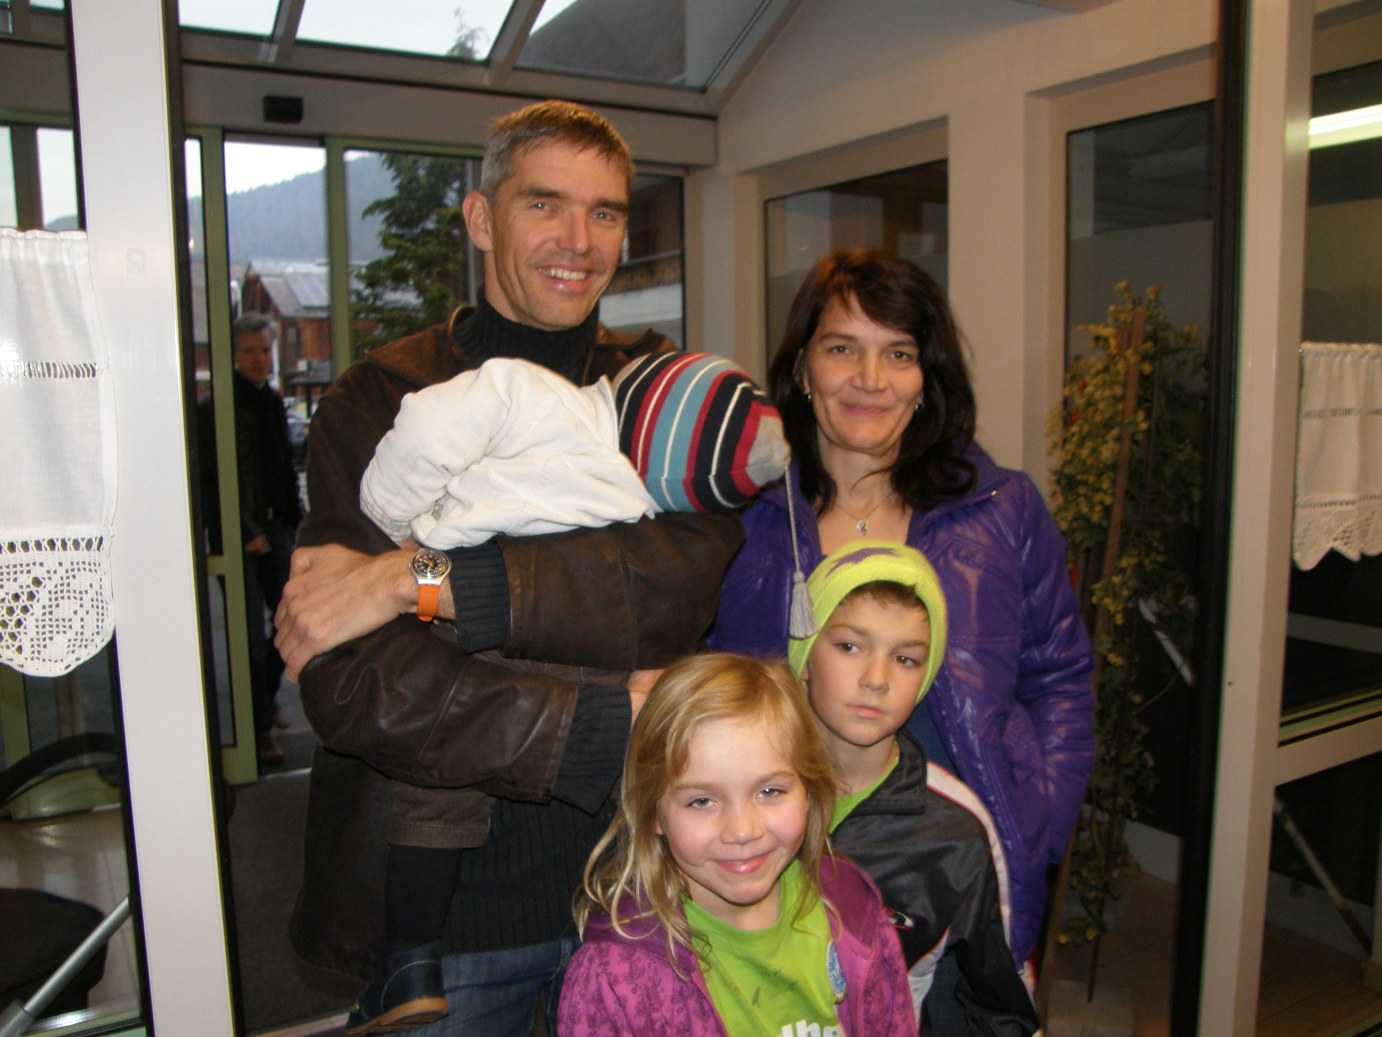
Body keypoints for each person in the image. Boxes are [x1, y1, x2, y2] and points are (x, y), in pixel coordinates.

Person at [273, 100, 745, 1037]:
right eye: (544, 204)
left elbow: (676, 586)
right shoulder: (382, 400)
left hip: (637, 888)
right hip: (446, 928)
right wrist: (596, 723)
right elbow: (353, 674)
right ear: (482, 218)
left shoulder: (658, 388)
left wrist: (427, 581)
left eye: (605, 212)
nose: (579, 240)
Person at [347, 350, 787, 1033]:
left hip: (461, 613)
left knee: (432, 792)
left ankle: (409, 960)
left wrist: (391, 525)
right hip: (596, 665)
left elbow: (430, 433)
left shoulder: (528, 391)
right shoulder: (641, 498)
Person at [709, 248, 1095, 976]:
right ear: (802, 369)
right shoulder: (743, 519)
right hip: (780, 878)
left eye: (899, 353)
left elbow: (1061, 679)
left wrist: (1036, 823)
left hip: (959, 879)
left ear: (926, 378)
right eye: (841, 348)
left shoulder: (1002, 510)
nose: (870, 379)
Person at [558, 653, 916, 1037]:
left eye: (769, 791)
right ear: (652, 812)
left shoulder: (854, 912)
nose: (743, 831)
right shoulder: (619, 979)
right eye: (702, 801)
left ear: (809, 792)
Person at [788, 540, 1039, 1035]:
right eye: (849, 647)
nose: (876, 679)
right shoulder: (737, 786)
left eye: (905, 658)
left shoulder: (953, 830)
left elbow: (998, 1004)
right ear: (806, 655)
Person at [197, 312, 303, 767]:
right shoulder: (214, 408)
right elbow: (212, 479)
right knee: (249, 638)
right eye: (249, 351)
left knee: (289, 620)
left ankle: (266, 698)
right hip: (236, 536)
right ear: (233, 355)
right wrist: (245, 531)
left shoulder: (273, 401)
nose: (260, 359)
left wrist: (296, 522)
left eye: (264, 350)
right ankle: (257, 732)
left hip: (276, 531)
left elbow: (282, 469)